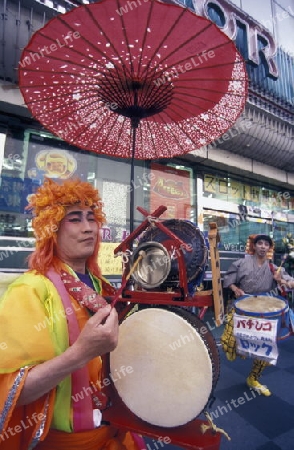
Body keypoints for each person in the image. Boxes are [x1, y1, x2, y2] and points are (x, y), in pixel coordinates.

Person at [0, 178, 143, 450]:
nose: (89, 228)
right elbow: (15, 393)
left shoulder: (102, 288)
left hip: (118, 432)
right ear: (51, 229)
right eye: (75, 219)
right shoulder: (30, 290)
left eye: (92, 218)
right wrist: (81, 353)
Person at [221, 234, 293, 397]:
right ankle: (241, 348)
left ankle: (253, 378)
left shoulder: (274, 268)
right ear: (254, 246)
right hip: (242, 307)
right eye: (259, 243)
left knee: (265, 351)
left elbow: (291, 283)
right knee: (228, 343)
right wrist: (235, 289)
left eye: (266, 244)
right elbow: (228, 279)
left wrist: (281, 281)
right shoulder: (241, 263)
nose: (262, 246)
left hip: (264, 312)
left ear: (269, 248)